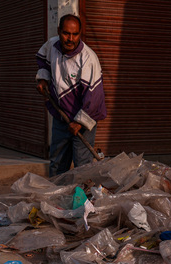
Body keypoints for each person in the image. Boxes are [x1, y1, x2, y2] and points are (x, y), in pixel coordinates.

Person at [36, 14, 107, 177]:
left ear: (80, 34)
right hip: (61, 116)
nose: (70, 38)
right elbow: (42, 62)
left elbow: (94, 98)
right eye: (66, 33)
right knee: (57, 164)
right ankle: (55, 199)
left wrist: (79, 122)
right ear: (58, 31)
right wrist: (43, 79)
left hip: (85, 117)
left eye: (75, 34)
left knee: (82, 166)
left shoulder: (88, 59)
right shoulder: (51, 45)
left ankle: (83, 200)